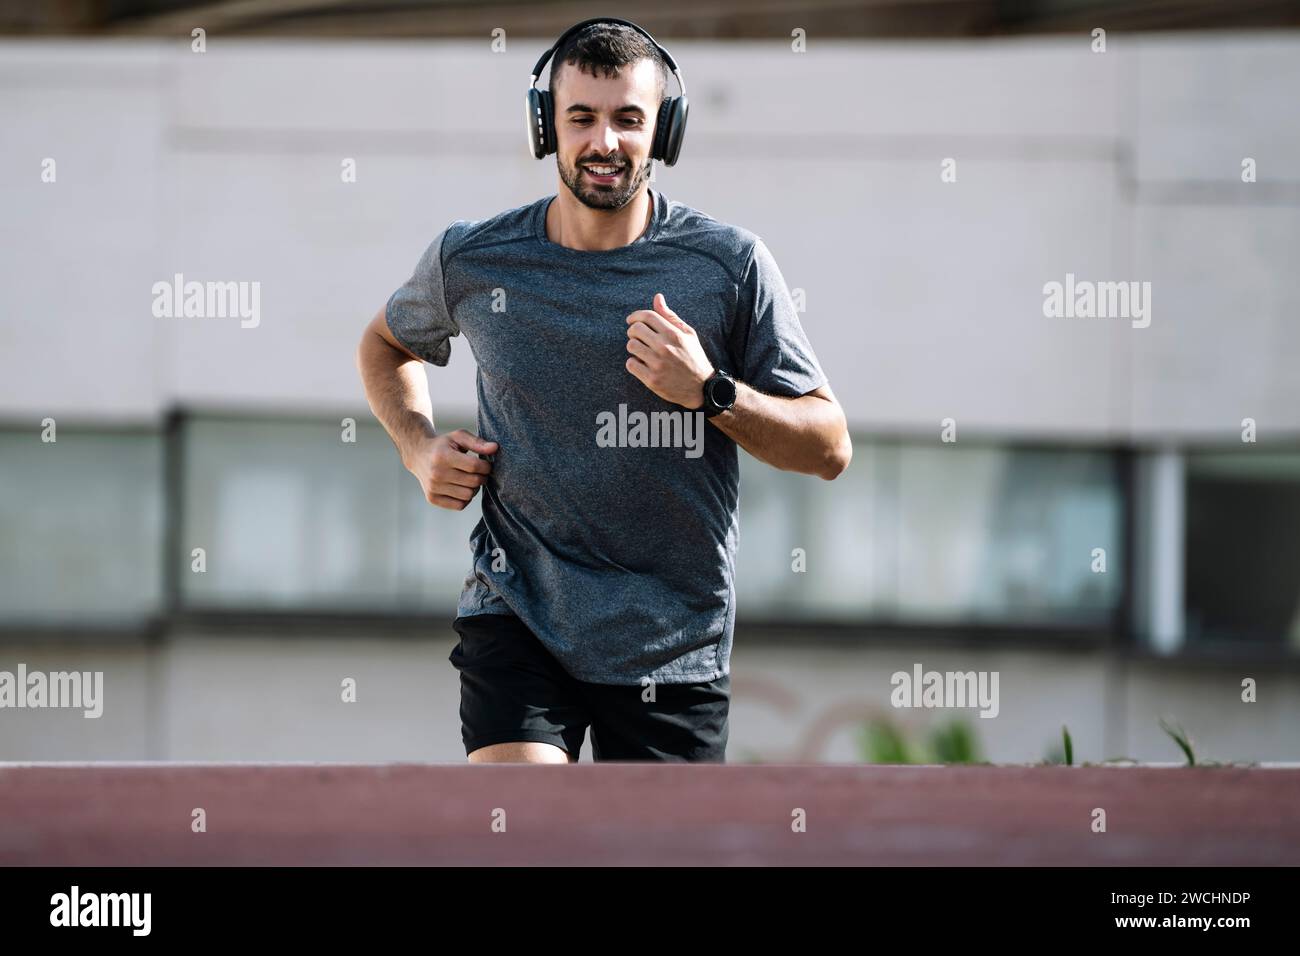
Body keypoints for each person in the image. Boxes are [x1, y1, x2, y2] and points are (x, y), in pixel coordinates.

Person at [356, 18, 851, 764]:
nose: (605, 142)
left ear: (665, 130)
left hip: (672, 645)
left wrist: (711, 391)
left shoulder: (728, 266)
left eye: (629, 118)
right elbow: (386, 344)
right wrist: (417, 446)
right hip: (518, 613)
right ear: (545, 127)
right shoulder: (478, 258)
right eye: (581, 118)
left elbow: (829, 447)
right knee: (519, 828)